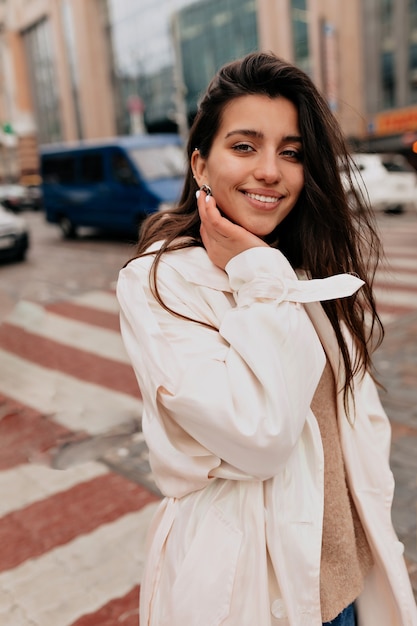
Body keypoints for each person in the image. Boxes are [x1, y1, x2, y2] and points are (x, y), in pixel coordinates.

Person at [117, 52, 417, 626]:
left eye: (292, 152)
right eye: (245, 146)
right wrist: (257, 276)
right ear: (201, 165)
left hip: (347, 584)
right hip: (256, 594)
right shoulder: (162, 281)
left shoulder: (300, 268)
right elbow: (260, 436)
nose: (271, 172)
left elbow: (355, 415)